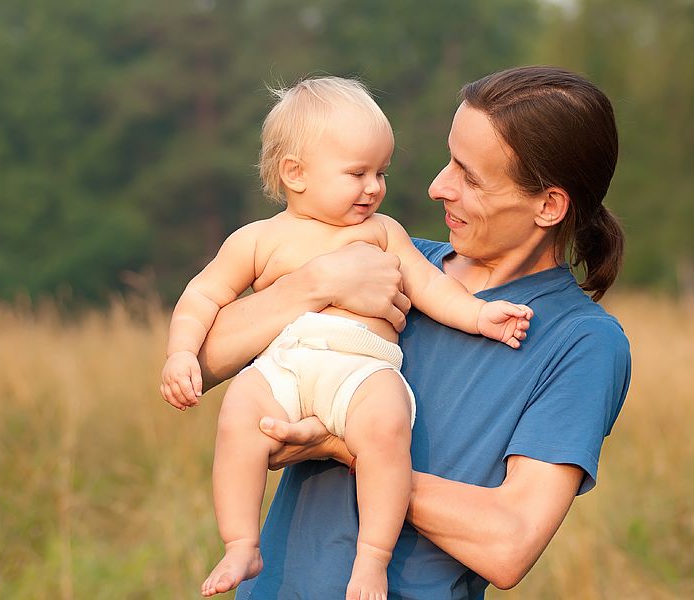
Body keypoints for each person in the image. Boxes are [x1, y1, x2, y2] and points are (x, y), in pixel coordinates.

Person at [198, 66, 632, 599]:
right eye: (449, 159)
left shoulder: (582, 343)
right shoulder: (396, 264)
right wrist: (312, 286)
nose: (436, 187)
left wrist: (343, 444)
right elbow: (199, 362)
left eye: (470, 177)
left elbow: (509, 543)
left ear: (548, 205)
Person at [159, 76, 533, 599]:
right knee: (239, 414)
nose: (374, 188)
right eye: (357, 173)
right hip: (284, 366)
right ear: (296, 174)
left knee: (385, 426)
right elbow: (201, 298)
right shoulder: (259, 239)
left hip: (361, 368)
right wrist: (180, 353)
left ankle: (371, 559)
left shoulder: (382, 231)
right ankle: (241, 542)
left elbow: (431, 287)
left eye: (381, 172)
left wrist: (478, 316)